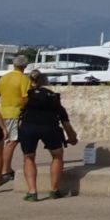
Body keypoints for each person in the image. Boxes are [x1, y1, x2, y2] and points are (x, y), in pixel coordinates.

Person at [18, 70, 77, 202]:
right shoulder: (52, 97)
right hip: (49, 127)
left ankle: (32, 192)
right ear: (45, 81)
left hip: (29, 127)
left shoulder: (27, 97)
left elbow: (21, 114)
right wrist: (72, 136)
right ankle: (54, 190)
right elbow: (64, 119)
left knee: (29, 158)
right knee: (57, 155)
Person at [0, 54, 32, 184]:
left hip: (3, 111)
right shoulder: (23, 79)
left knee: (7, 141)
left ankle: (6, 168)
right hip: (15, 112)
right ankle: (5, 170)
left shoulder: (4, 78)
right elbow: (25, 98)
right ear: (25, 66)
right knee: (12, 141)